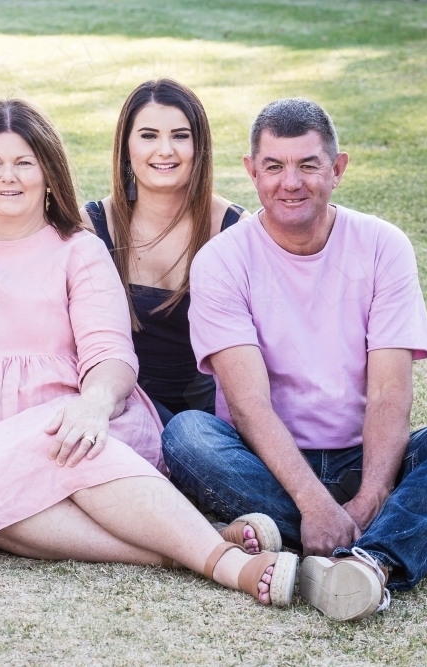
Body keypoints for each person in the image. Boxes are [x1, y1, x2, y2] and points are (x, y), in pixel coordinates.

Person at [0, 98, 298, 608]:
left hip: (67, 417)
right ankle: (188, 544)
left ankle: (231, 567)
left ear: (48, 172)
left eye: (24, 163)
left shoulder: (78, 249)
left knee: (60, 447)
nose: (9, 177)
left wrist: (94, 405)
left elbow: (111, 352)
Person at [161, 97, 427, 622]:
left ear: (337, 169)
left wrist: (366, 498)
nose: (289, 182)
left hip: (362, 455)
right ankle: (412, 534)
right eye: (273, 166)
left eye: (308, 164)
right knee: (186, 436)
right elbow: (249, 407)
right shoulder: (222, 261)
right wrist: (315, 504)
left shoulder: (383, 245)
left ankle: (366, 553)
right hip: (265, 458)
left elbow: (390, 394)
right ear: (252, 172)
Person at [80, 79, 248, 426]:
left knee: (189, 436)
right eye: (148, 135)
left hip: (206, 425)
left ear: (199, 146)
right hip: (117, 410)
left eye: (181, 136)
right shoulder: (91, 226)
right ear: (126, 146)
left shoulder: (234, 229)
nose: (165, 149)